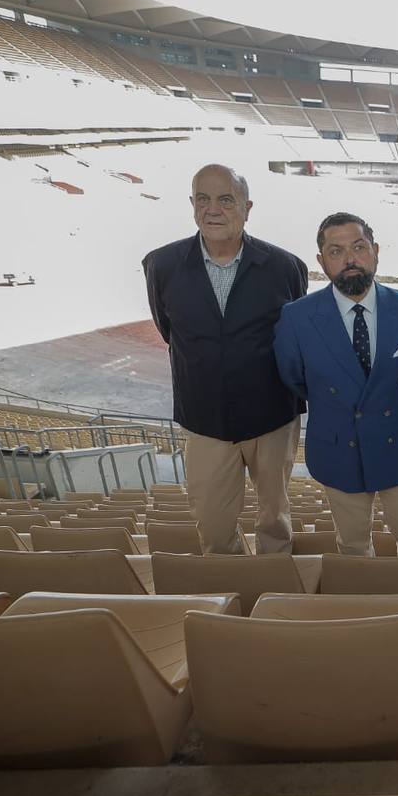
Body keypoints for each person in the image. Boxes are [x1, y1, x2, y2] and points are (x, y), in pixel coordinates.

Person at [143, 164, 308, 555]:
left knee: (275, 519)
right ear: (191, 204)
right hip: (204, 420)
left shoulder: (286, 267)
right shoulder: (162, 266)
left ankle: (273, 587)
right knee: (214, 529)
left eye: (225, 199)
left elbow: (293, 339)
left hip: (272, 420)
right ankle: (234, 592)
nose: (212, 209)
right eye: (203, 198)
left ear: (247, 208)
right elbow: (170, 331)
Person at [274, 212, 398, 556]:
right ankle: (364, 605)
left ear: (375, 251)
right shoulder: (297, 317)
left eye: (359, 247)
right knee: (353, 546)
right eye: (336, 251)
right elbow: (296, 378)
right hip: (338, 450)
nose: (350, 259)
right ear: (321, 261)